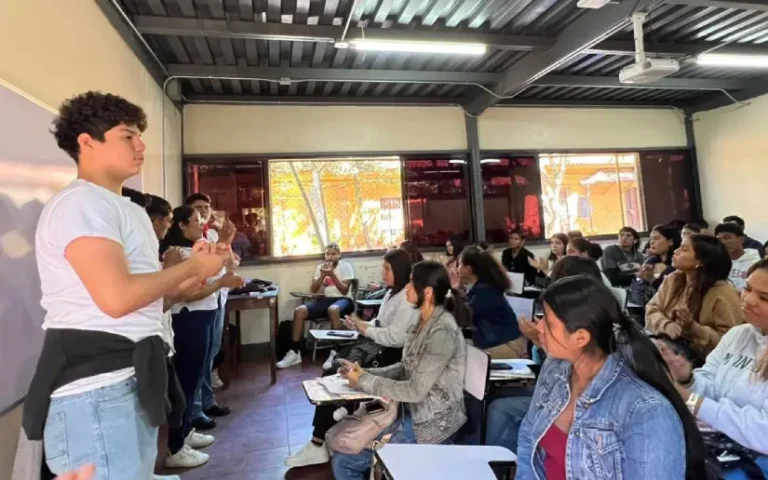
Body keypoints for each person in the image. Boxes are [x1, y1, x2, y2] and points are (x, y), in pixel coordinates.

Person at [24, 92, 228, 480]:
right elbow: (117, 298)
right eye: (127, 136)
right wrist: (192, 268)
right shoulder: (80, 204)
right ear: (87, 142)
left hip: (132, 374)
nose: (141, 145)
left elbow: (148, 295)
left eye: (140, 136)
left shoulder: (126, 208)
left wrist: (201, 270)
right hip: (96, 386)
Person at [515, 276, 709, 480]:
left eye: (548, 322)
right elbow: (529, 435)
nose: (538, 328)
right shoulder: (555, 368)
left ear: (580, 337)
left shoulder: (646, 410)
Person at [330, 261, 468, 480]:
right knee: (343, 453)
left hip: (433, 424)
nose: (407, 287)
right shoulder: (422, 322)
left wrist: (366, 381)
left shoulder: (442, 331)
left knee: (345, 462)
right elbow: (405, 368)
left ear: (428, 292)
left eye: (412, 283)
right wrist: (364, 373)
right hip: (410, 412)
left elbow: (414, 391)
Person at [284, 249, 419, 468]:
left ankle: (318, 442)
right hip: (377, 345)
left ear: (400, 270)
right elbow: (381, 323)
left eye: (387, 268)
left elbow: (395, 337)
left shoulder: (407, 296)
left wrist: (366, 329)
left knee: (334, 373)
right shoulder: (391, 292)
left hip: (390, 355)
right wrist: (359, 324)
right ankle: (335, 421)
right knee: (335, 365)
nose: (382, 272)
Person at [657, 258, 768, 479]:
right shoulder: (740, 334)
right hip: (721, 449)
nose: (748, 300)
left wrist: (692, 401)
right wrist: (687, 378)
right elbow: (711, 383)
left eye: (764, 298)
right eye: (747, 288)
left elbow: (764, 433)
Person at [486, 256, 605, 454]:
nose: (541, 324)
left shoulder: (587, 325)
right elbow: (550, 371)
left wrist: (539, 341)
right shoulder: (568, 319)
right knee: (498, 401)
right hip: (555, 392)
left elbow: (566, 372)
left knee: (500, 409)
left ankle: (499, 463)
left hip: (570, 399)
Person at [160, 206, 244, 468]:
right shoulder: (176, 253)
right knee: (185, 382)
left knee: (197, 376)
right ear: (181, 226)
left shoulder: (199, 247)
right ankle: (176, 447)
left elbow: (224, 266)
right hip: (188, 318)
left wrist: (225, 243)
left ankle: (185, 433)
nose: (202, 223)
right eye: (196, 220)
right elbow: (183, 293)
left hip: (205, 315)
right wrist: (220, 284)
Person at [646, 234, 743, 361]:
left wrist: (694, 328)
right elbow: (652, 308)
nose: (675, 251)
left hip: (703, 360)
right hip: (667, 344)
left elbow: (731, 342)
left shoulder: (723, 292)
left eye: (684, 249)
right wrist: (666, 324)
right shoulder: (674, 279)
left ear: (700, 261)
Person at [278, 242, 356, 369]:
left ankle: (335, 353)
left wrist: (332, 275)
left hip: (344, 300)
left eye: (333, 254)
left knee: (333, 309)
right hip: (326, 300)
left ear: (339, 255)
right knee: (300, 310)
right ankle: (295, 353)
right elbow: (313, 290)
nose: (330, 257)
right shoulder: (320, 267)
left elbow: (344, 290)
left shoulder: (346, 266)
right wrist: (323, 275)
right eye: (327, 254)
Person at [459, 247, 526, 358]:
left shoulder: (486, 291)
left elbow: (463, 317)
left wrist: (454, 289)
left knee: (460, 357)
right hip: (495, 340)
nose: (457, 269)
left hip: (508, 344)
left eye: (459, 265)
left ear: (468, 269)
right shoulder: (479, 288)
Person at [714, 223, 762, 293]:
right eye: (719, 239)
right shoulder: (716, 262)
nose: (723, 242)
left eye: (727, 238)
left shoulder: (756, 263)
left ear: (741, 239)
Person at [639, 225, 681, 290]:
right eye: (651, 239)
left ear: (670, 242)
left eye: (656, 238)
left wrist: (651, 280)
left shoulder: (677, 265)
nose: (651, 242)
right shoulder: (650, 262)